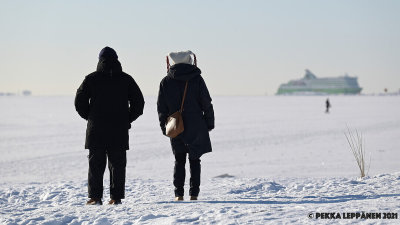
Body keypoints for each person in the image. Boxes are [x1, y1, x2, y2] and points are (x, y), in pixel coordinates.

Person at [75, 47, 145, 205]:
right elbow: (139, 104)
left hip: (96, 130)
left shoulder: (91, 79)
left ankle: (95, 197)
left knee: (95, 165)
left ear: (100, 60)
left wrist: (90, 117)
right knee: (118, 165)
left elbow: (79, 101)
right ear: (117, 60)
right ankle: (116, 198)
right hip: (118, 130)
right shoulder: (126, 79)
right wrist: (127, 119)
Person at [157, 51, 214, 201]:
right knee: (195, 160)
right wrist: (209, 123)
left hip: (175, 125)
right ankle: (194, 194)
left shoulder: (165, 81)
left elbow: (161, 108)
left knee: (179, 159)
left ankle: (178, 194)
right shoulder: (197, 80)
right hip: (196, 124)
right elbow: (206, 103)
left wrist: (165, 127)